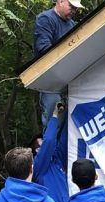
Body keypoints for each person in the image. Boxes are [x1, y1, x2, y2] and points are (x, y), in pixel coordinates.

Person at [33, 0, 81, 128]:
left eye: (76, 8)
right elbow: (43, 48)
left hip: (67, 83)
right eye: (71, 6)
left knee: (68, 127)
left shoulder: (72, 25)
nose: (74, 11)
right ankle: (49, 148)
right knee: (53, 124)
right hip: (50, 84)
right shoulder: (46, 19)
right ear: (60, 1)